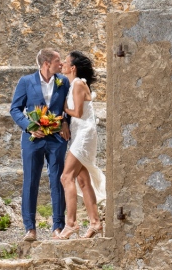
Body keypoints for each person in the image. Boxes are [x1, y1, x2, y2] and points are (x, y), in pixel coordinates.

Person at [9, 48, 71, 241]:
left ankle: (58, 227)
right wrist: (29, 126)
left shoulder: (64, 82)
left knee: (58, 181)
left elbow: (68, 106)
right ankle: (30, 228)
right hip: (33, 140)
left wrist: (65, 122)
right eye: (57, 61)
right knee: (31, 181)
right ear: (46, 64)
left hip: (56, 140)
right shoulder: (26, 82)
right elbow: (15, 109)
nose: (60, 64)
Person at [56, 51, 106, 239]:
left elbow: (76, 112)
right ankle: (95, 223)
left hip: (84, 134)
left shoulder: (77, 84)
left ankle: (71, 224)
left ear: (73, 67)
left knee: (66, 176)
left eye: (66, 62)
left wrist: (62, 110)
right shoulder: (74, 84)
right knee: (83, 180)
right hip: (80, 133)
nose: (62, 64)